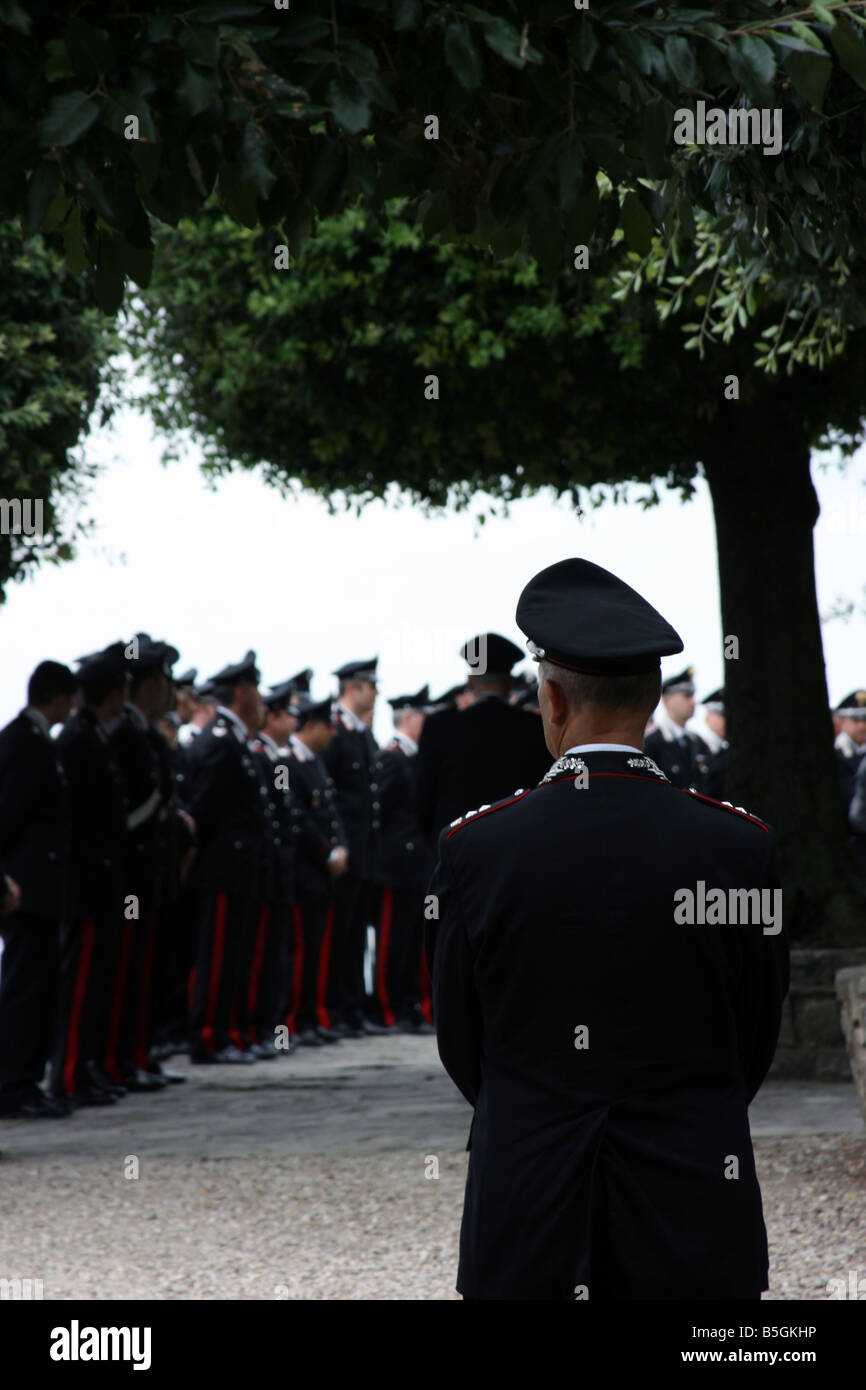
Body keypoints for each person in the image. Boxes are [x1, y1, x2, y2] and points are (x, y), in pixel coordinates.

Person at [426, 557, 790, 1301]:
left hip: (529, 1198)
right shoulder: (738, 846)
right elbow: (753, 1033)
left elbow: (463, 1043)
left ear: (551, 700)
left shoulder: (479, 848)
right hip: (692, 1198)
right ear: (653, 700)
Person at [50, 643, 131, 1107]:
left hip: (102, 881)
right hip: (84, 881)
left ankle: (84, 1068)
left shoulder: (93, 736)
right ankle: (67, 1074)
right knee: (79, 984)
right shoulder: (80, 740)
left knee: (97, 983)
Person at [0, 661, 76, 1118]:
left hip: (39, 886)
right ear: (58, 697)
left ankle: (25, 1077)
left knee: (37, 984)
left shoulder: (31, 740)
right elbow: (10, 816)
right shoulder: (24, 743)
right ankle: (14, 1083)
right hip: (27, 887)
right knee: (25, 986)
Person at [186, 651, 266, 1064]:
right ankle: (207, 1037)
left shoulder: (234, 739)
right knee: (216, 956)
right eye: (255, 689)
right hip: (219, 869)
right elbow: (203, 809)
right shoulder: (220, 740)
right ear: (241, 693)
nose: (260, 697)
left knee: (234, 955)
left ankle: (226, 1032)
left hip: (237, 870)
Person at [415, 633, 550, 843]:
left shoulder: (440, 727)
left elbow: (422, 804)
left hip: (455, 849)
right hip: (516, 848)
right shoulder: (532, 728)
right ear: (509, 682)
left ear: (470, 681)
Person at [321, 659, 387, 1037]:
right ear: (352, 688)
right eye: (370, 685)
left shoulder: (362, 734)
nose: (376, 692)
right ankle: (333, 1008)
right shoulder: (336, 732)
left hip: (365, 855)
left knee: (357, 933)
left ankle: (350, 1007)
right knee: (339, 934)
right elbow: (327, 796)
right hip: (345, 854)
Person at [371, 687, 436, 1034]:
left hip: (415, 867)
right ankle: (386, 1008)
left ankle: (409, 1004)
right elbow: (378, 814)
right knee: (391, 943)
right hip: (395, 867)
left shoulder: (414, 757)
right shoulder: (391, 757)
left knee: (412, 941)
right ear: (408, 718)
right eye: (423, 715)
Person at [286, 696, 348, 1046]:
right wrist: (326, 852)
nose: (332, 734)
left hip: (323, 873)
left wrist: (340, 845)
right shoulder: (291, 764)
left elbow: (331, 811)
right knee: (300, 949)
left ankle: (311, 1016)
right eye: (327, 727)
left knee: (317, 949)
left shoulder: (316, 764)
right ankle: (294, 1019)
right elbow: (299, 817)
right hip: (305, 870)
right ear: (310, 727)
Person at [643, 665, 712, 790]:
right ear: (667, 700)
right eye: (687, 695)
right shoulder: (652, 742)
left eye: (693, 695)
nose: (693, 701)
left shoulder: (697, 742)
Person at [693, 687, 727, 800]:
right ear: (708, 717)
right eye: (721, 715)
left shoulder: (727, 751)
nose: (726, 720)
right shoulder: (696, 747)